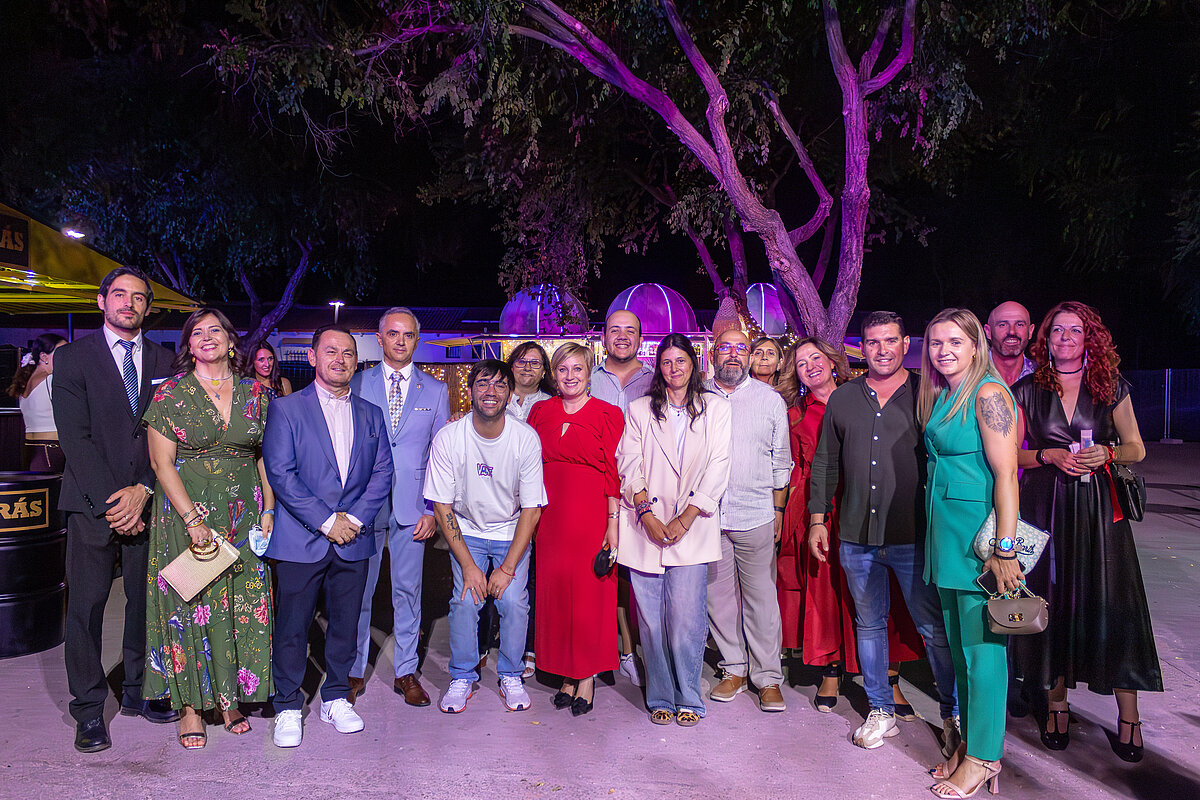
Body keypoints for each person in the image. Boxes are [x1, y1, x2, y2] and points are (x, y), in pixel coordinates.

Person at [1010, 301, 1162, 762]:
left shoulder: (1110, 386)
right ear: (1046, 339)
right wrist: (1046, 455)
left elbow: (1137, 447)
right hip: (1046, 509)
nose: (1065, 338)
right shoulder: (1026, 390)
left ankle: (1129, 716)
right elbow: (1008, 455)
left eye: (1075, 331)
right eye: (1057, 330)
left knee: (1112, 603)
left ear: (1089, 339)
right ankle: (1057, 705)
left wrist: (1109, 454)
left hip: (1099, 512)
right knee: (1051, 602)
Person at [808, 311, 959, 751]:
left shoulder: (929, 394)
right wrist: (817, 519)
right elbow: (825, 462)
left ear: (905, 343)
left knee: (932, 627)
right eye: (872, 342)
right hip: (856, 535)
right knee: (869, 625)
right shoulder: (843, 398)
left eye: (890, 340)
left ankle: (952, 713)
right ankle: (881, 710)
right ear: (862, 347)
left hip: (913, 535)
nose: (882, 350)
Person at [52, 266, 179, 753]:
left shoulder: (166, 360)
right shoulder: (73, 358)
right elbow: (75, 438)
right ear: (101, 301)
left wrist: (143, 489)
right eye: (120, 294)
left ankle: (139, 689)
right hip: (91, 505)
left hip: (148, 500)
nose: (129, 303)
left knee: (146, 605)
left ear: (148, 306)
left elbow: (170, 436)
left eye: (139, 297)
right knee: (86, 608)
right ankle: (88, 709)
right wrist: (116, 502)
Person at [142, 308, 275, 749]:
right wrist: (192, 520)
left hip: (244, 516)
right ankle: (190, 709)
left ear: (231, 341)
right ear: (189, 345)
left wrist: (269, 508)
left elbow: (265, 456)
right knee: (191, 606)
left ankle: (229, 699)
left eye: (215, 329)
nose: (206, 337)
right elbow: (161, 463)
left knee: (240, 603)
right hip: (188, 514)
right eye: (196, 332)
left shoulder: (257, 393)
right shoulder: (170, 394)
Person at [262, 324, 394, 748]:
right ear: (313, 357)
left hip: (354, 538)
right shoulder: (286, 409)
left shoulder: (371, 413)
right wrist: (325, 521)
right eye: (331, 351)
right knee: (292, 626)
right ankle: (287, 704)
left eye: (348, 353)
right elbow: (281, 473)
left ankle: (335, 697)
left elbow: (383, 472)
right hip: (301, 538)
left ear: (357, 361)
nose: (340, 359)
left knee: (346, 624)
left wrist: (352, 520)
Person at [776, 338, 924, 714]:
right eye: (801, 363)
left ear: (832, 361)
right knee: (827, 595)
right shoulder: (794, 415)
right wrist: (803, 516)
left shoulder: (863, 396)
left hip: (871, 505)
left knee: (886, 594)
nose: (810, 366)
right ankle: (831, 670)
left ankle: (890, 679)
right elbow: (795, 468)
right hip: (822, 510)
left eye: (816, 357)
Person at [918, 308, 1024, 798]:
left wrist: (1004, 549)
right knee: (963, 654)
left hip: (978, 542)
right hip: (946, 538)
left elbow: (1007, 477)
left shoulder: (987, 393)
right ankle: (969, 746)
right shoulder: (946, 393)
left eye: (955, 342)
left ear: (976, 345)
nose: (944, 351)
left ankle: (984, 757)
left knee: (985, 655)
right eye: (936, 342)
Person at [616, 334, 731, 727]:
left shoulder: (716, 409)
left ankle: (689, 697)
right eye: (666, 362)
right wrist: (645, 512)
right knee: (650, 621)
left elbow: (719, 466)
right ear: (658, 367)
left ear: (693, 364)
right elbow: (629, 461)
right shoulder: (640, 409)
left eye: (681, 360)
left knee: (686, 621)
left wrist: (686, 516)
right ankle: (660, 695)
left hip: (693, 526)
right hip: (645, 526)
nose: (674, 368)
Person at [424, 359, 547, 713]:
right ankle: (463, 675)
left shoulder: (525, 438)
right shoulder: (449, 437)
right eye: (482, 383)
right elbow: (442, 506)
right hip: (467, 530)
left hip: (511, 530)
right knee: (465, 601)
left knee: (513, 602)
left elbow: (532, 509)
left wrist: (506, 569)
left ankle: (510, 673)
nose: (490, 392)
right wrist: (469, 566)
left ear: (509, 394)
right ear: (470, 390)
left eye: (499, 385)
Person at [347, 308, 450, 707]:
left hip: (413, 507)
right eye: (393, 334)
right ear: (380, 338)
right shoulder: (357, 383)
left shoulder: (435, 390)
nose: (400, 341)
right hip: (364, 505)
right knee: (360, 590)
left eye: (408, 335)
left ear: (416, 340)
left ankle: (406, 671)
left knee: (408, 591)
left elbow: (441, 456)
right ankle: (354, 669)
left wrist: (432, 509)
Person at [527, 343, 623, 716]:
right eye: (563, 369)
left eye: (577, 369)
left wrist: (612, 523)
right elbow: (527, 462)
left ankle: (586, 676)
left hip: (591, 515)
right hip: (550, 517)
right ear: (554, 374)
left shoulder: (608, 414)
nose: (570, 376)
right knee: (556, 595)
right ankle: (566, 672)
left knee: (589, 596)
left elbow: (615, 472)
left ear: (589, 373)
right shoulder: (541, 411)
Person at [704, 329, 789, 712]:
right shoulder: (698, 395)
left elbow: (780, 460)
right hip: (707, 516)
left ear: (750, 356)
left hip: (754, 513)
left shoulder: (769, 400)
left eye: (741, 348)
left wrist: (777, 510)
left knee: (761, 600)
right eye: (726, 347)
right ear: (713, 354)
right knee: (719, 599)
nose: (733, 354)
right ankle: (734, 669)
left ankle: (767, 677)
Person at [591, 309, 656, 687]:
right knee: (600, 570)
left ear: (640, 339)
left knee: (636, 577)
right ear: (603, 337)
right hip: (595, 488)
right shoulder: (588, 377)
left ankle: (632, 652)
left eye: (630, 331)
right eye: (614, 330)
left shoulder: (655, 379)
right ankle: (599, 651)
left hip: (640, 488)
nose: (622, 336)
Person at [9, 332, 67, 472]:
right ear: (44, 357)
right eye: (62, 353)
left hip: (30, 447)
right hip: (51, 447)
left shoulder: (26, 381)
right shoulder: (51, 379)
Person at [984, 301, 1035, 387]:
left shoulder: (1041, 376)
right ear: (988, 332)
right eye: (1003, 325)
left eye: (1019, 325)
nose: (1012, 331)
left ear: (1030, 331)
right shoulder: (970, 373)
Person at [506, 341, 554, 422]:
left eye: (534, 363)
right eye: (521, 362)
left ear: (544, 371)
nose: (527, 368)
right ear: (512, 368)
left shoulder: (551, 404)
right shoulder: (498, 399)